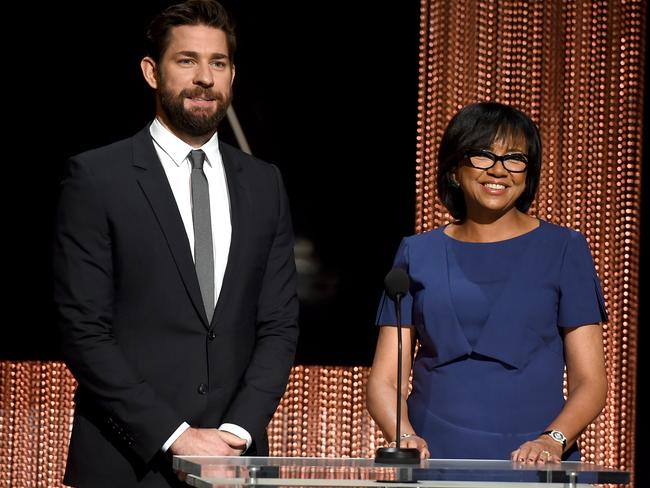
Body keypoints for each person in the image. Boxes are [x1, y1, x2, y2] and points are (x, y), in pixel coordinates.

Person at [53, 1, 299, 486]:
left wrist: (235, 431)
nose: (205, 77)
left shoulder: (264, 182)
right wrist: (177, 435)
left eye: (219, 63)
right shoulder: (97, 177)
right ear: (151, 72)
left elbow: (279, 324)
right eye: (187, 61)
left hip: (236, 462)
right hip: (126, 462)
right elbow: (83, 329)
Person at [367, 102, 607, 463]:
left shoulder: (564, 249)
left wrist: (552, 441)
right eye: (482, 156)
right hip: (433, 461)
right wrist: (405, 437)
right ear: (454, 169)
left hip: (535, 464)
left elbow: (590, 382)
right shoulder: (417, 253)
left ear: (528, 173)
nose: (499, 170)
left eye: (514, 158)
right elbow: (386, 381)